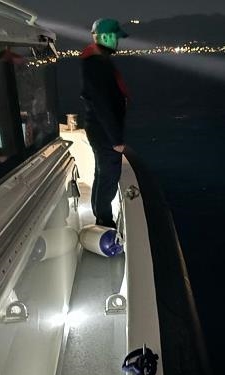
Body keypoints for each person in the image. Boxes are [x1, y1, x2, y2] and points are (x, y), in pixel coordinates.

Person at [80, 18, 130, 228]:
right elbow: (103, 105)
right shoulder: (98, 64)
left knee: (102, 173)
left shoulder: (95, 61)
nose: (117, 42)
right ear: (104, 37)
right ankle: (104, 220)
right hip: (103, 132)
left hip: (98, 129)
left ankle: (100, 214)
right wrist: (116, 139)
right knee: (109, 175)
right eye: (114, 37)